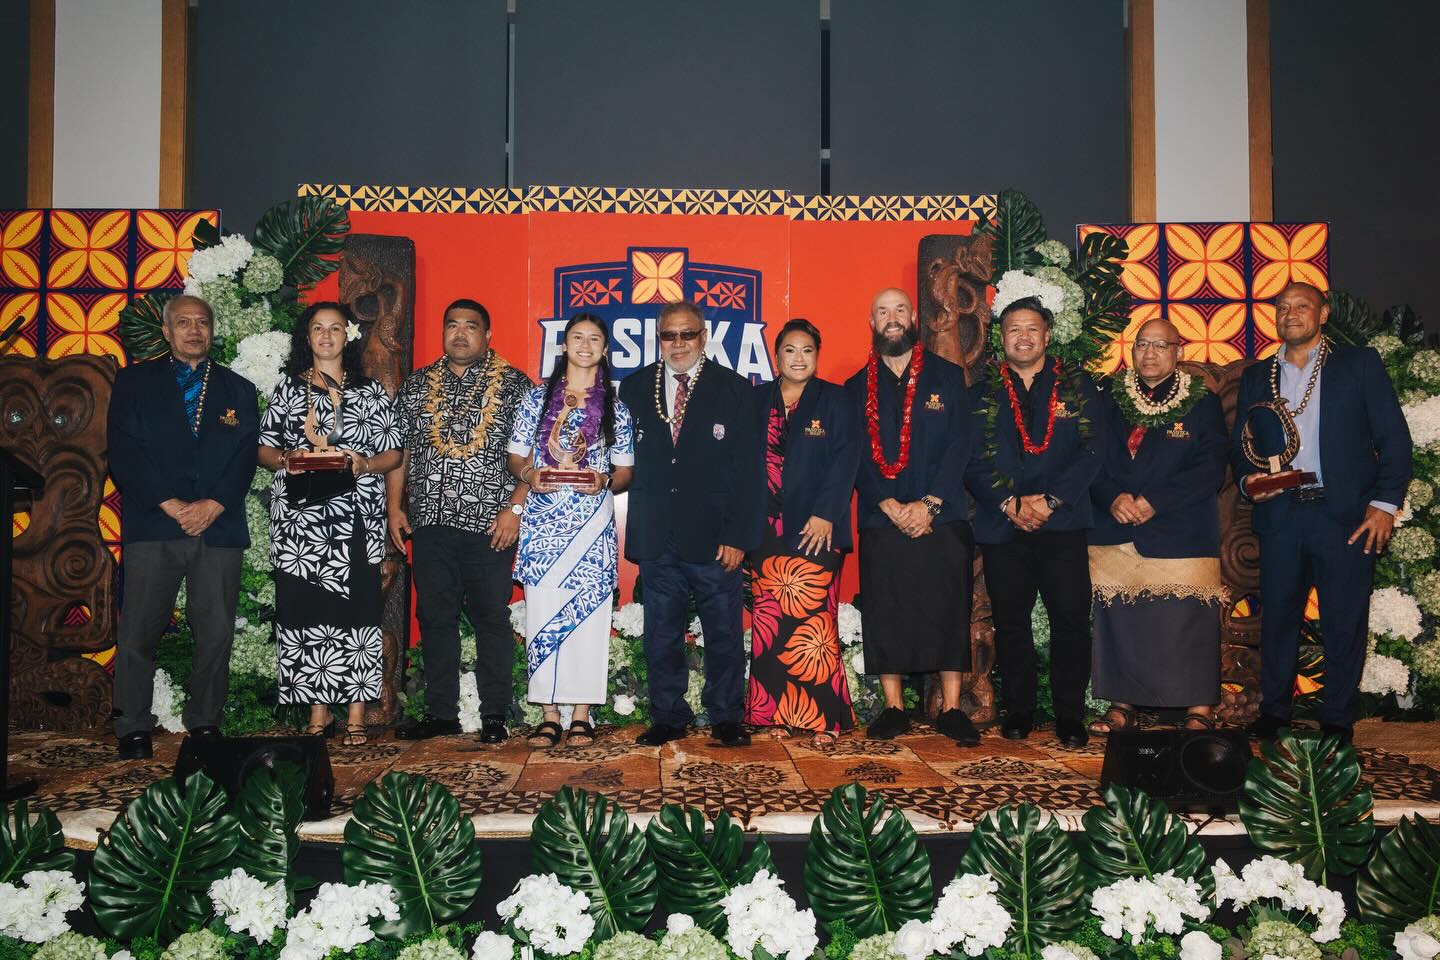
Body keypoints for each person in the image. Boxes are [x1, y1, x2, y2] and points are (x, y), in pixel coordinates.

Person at [1233, 282, 1411, 744]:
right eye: (1283, 307)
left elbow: (1394, 439)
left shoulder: (1358, 364)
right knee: (1277, 618)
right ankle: (1274, 712)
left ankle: (1336, 718)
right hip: (1281, 516)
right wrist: (1247, 480)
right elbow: (1241, 444)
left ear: (1323, 313)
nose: (1291, 314)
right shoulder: (1258, 375)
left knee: (1343, 619)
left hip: (1345, 515)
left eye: (1302, 306)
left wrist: (1384, 506)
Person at [106, 294, 259, 759]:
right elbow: (124, 452)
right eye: (184, 323)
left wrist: (213, 504)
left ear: (212, 331)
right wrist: (173, 505)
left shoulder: (238, 388)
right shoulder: (134, 383)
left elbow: (245, 455)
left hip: (218, 526)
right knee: (139, 630)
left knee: (215, 632)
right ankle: (133, 724)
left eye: (203, 323)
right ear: (167, 332)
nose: (195, 330)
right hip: (155, 523)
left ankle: (205, 721)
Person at [618, 299, 764, 748]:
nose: (678, 343)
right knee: (661, 633)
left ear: (704, 336)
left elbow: (749, 471)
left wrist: (739, 535)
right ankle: (668, 716)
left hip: (717, 537)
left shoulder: (735, 389)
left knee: (722, 632)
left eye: (687, 334)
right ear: (658, 338)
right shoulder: (635, 387)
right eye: (669, 335)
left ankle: (726, 717)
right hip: (658, 535)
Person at [257, 302, 402, 746]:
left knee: (356, 613)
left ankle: (356, 717)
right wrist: (285, 458)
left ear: (348, 336)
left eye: (335, 328)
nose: (326, 336)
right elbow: (262, 448)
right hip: (301, 523)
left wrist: (364, 463)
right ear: (308, 338)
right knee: (308, 613)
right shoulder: (287, 391)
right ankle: (318, 716)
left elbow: (394, 453)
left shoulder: (372, 393)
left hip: (355, 516)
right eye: (317, 328)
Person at [388, 299, 533, 743]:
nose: (460, 333)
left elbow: (533, 454)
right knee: (435, 617)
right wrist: (396, 506)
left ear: (488, 336)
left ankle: (494, 714)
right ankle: (441, 714)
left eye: (471, 326)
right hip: (429, 520)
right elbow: (402, 451)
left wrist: (515, 508)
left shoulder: (514, 385)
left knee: (491, 617)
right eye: (452, 325)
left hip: (491, 523)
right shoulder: (416, 386)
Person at [844, 288, 981, 746]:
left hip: (941, 516)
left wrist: (930, 504)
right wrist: (887, 503)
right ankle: (894, 707)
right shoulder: (853, 386)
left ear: (913, 317)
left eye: (899, 309)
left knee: (948, 606)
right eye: (882, 311)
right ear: (872, 321)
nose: (892, 318)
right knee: (887, 609)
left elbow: (960, 444)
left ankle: (953, 708)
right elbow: (856, 455)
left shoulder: (946, 377)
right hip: (882, 518)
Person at [968, 296, 1104, 748]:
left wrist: (1050, 500)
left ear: (1047, 335)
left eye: (1032, 329)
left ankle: (1069, 714)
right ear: (1001, 338)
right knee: (1010, 621)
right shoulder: (981, 390)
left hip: (1062, 524)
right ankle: (1020, 710)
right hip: (1003, 526)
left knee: (1069, 620)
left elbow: (1093, 452)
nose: (1023, 337)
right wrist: (1009, 503)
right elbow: (970, 459)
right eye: (1013, 330)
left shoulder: (1079, 386)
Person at [1087, 317, 1227, 733]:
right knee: (1122, 621)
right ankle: (1121, 704)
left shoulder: (1202, 401)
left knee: (1186, 621)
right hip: (1116, 523)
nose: (1149, 353)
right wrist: (1112, 497)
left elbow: (1211, 466)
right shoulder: (1108, 397)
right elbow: (1086, 455)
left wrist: (1154, 501)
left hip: (1181, 526)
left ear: (1178, 352)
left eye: (1160, 346)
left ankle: (1198, 709)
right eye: (1142, 344)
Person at [505, 314, 635, 748]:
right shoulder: (536, 399)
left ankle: (581, 713)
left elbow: (625, 471)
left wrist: (605, 482)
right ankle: (548, 713)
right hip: (544, 526)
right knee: (543, 614)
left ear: (604, 350)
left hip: (590, 526)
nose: (584, 345)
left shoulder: (617, 408)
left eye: (594, 339)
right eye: (577, 337)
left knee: (589, 618)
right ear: (563, 346)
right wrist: (529, 473)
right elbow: (515, 458)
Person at [746, 319, 860, 748]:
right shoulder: (757, 399)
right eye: (790, 350)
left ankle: (823, 719)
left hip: (816, 530)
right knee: (771, 625)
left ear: (817, 355)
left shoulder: (835, 399)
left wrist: (827, 514)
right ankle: (773, 714)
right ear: (777, 357)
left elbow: (846, 460)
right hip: (766, 529)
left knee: (813, 624)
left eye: (807, 350)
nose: (798, 358)